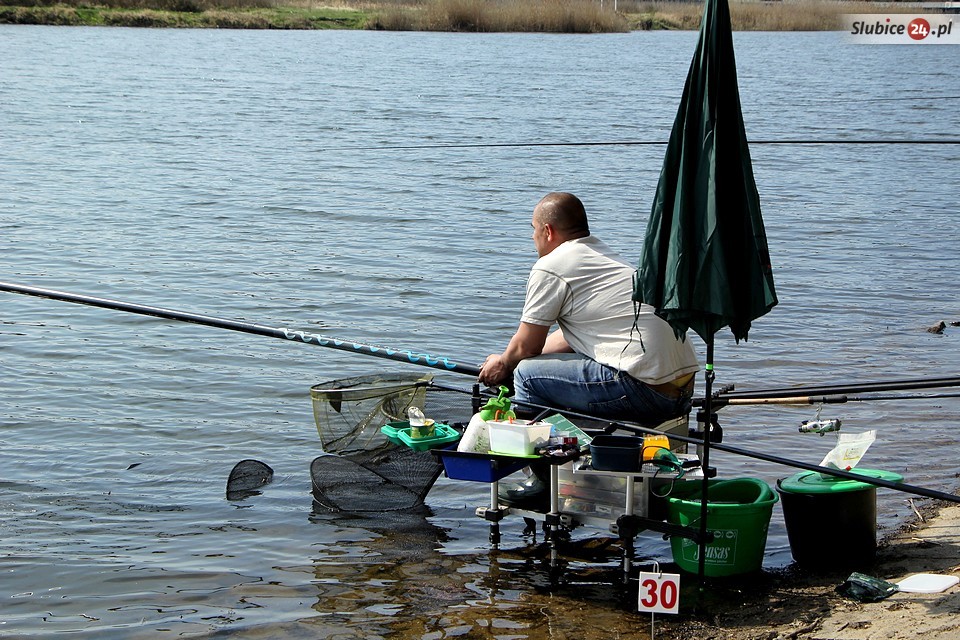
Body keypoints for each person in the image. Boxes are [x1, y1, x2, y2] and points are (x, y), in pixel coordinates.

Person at [479, 192, 699, 426]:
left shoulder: (551, 266)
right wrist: (524, 359)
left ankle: (530, 453)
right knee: (540, 365)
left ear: (548, 231)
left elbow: (527, 345)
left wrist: (502, 363)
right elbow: (568, 337)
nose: (533, 238)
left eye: (533, 229)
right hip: (681, 391)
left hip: (644, 391)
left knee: (526, 374)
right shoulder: (603, 257)